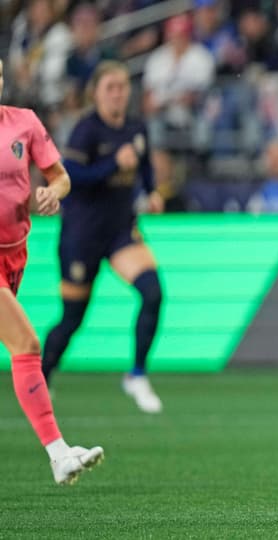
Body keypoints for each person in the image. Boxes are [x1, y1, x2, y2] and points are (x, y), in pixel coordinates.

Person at [0, 58, 104, 484]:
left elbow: (60, 177)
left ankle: (58, 451)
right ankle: (58, 453)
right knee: (26, 345)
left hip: (14, 255)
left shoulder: (23, 123)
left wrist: (51, 193)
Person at [40, 61, 166, 414]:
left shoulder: (137, 128)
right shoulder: (85, 131)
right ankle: (42, 376)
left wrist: (152, 192)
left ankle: (137, 374)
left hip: (121, 232)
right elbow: (73, 177)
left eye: (123, 86)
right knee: (73, 319)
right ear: (95, 92)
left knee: (153, 293)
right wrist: (113, 164)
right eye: (110, 87)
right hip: (83, 235)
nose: (118, 93)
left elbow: (144, 168)